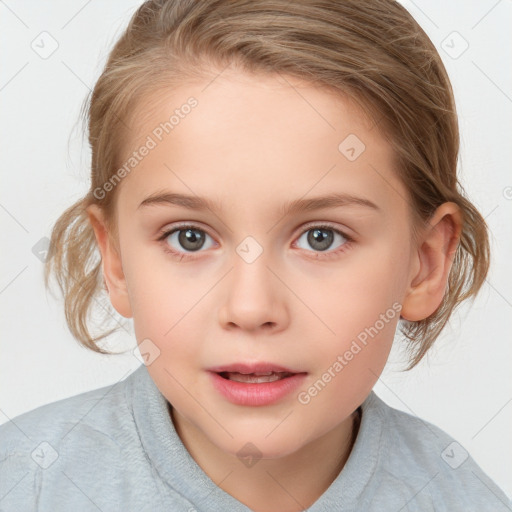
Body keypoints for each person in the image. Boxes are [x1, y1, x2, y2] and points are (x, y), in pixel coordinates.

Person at [1, 1, 510, 510]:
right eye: (190, 238)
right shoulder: (27, 484)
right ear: (115, 260)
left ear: (424, 264)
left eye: (321, 238)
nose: (250, 308)